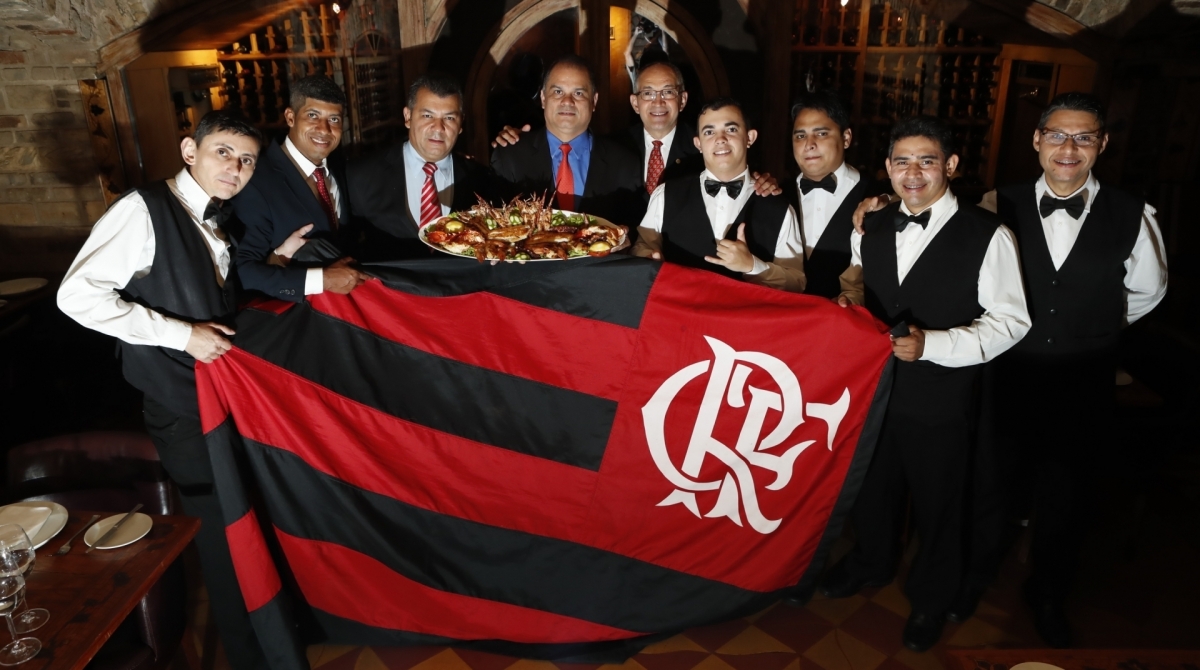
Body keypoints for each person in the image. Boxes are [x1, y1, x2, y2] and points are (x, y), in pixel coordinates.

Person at [57, 111, 271, 670]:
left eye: (247, 159)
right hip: (178, 407)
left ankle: (267, 638)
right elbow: (77, 297)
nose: (236, 167)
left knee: (241, 528)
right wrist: (182, 335)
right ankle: (251, 657)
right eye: (224, 152)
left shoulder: (216, 214)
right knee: (224, 542)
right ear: (188, 149)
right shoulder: (142, 210)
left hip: (218, 399)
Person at [955, 92, 1167, 646]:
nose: (1068, 149)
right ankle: (974, 575)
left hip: (1083, 378)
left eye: (1083, 137)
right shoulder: (997, 202)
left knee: (1066, 493)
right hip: (1012, 372)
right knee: (993, 482)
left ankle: (1048, 593)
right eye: (1057, 135)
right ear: (1037, 140)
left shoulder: (1131, 213)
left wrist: (1088, 324)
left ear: (1101, 145)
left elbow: (1147, 292)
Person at [826, 116, 1030, 652]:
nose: (913, 172)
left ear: (951, 166)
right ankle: (870, 562)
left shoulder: (989, 234)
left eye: (927, 160)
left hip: (943, 396)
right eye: (901, 161)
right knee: (873, 484)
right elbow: (858, 284)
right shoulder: (872, 224)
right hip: (874, 390)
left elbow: (1011, 322)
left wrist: (934, 345)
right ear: (887, 168)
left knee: (941, 502)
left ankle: (933, 596)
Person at [493, 60, 780, 203]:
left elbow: (737, 173)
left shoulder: (707, 147)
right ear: (634, 101)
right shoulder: (617, 146)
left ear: (682, 100)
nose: (657, 102)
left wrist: (759, 181)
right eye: (647, 93)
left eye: (667, 92)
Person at [631, 98, 805, 293]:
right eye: (709, 132)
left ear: (750, 137)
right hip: (679, 319)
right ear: (698, 143)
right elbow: (643, 245)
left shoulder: (780, 209)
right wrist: (649, 257)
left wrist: (752, 266)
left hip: (745, 321)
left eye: (731, 130)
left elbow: (796, 282)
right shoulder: (665, 194)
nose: (720, 139)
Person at [232, 75, 366, 301]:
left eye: (334, 119)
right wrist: (322, 279)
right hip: (295, 321)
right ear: (290, 117)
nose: (324, 129)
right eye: (313, 116)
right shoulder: (256, 182)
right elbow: (245, 273)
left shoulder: (338, 168)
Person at [348, 72, 508, 260]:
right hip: (389, 288)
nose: (438, 128)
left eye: (449, 118)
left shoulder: (483, 180)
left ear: (461, 123)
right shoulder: (361, 175)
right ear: (408, 117)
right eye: (427, 115)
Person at [489, 55, 643, 226]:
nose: (567, 101)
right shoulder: (510, 156)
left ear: (594, 101)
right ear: (543, 98)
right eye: (558, 92)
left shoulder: (625, 164)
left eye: (578, 93)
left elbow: (633, 233)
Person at [788, 90, 885, 298]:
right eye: (800, 135)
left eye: (821, 133)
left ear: (846, 138)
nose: (809, 144)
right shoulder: (776, 193)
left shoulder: (877, 197)